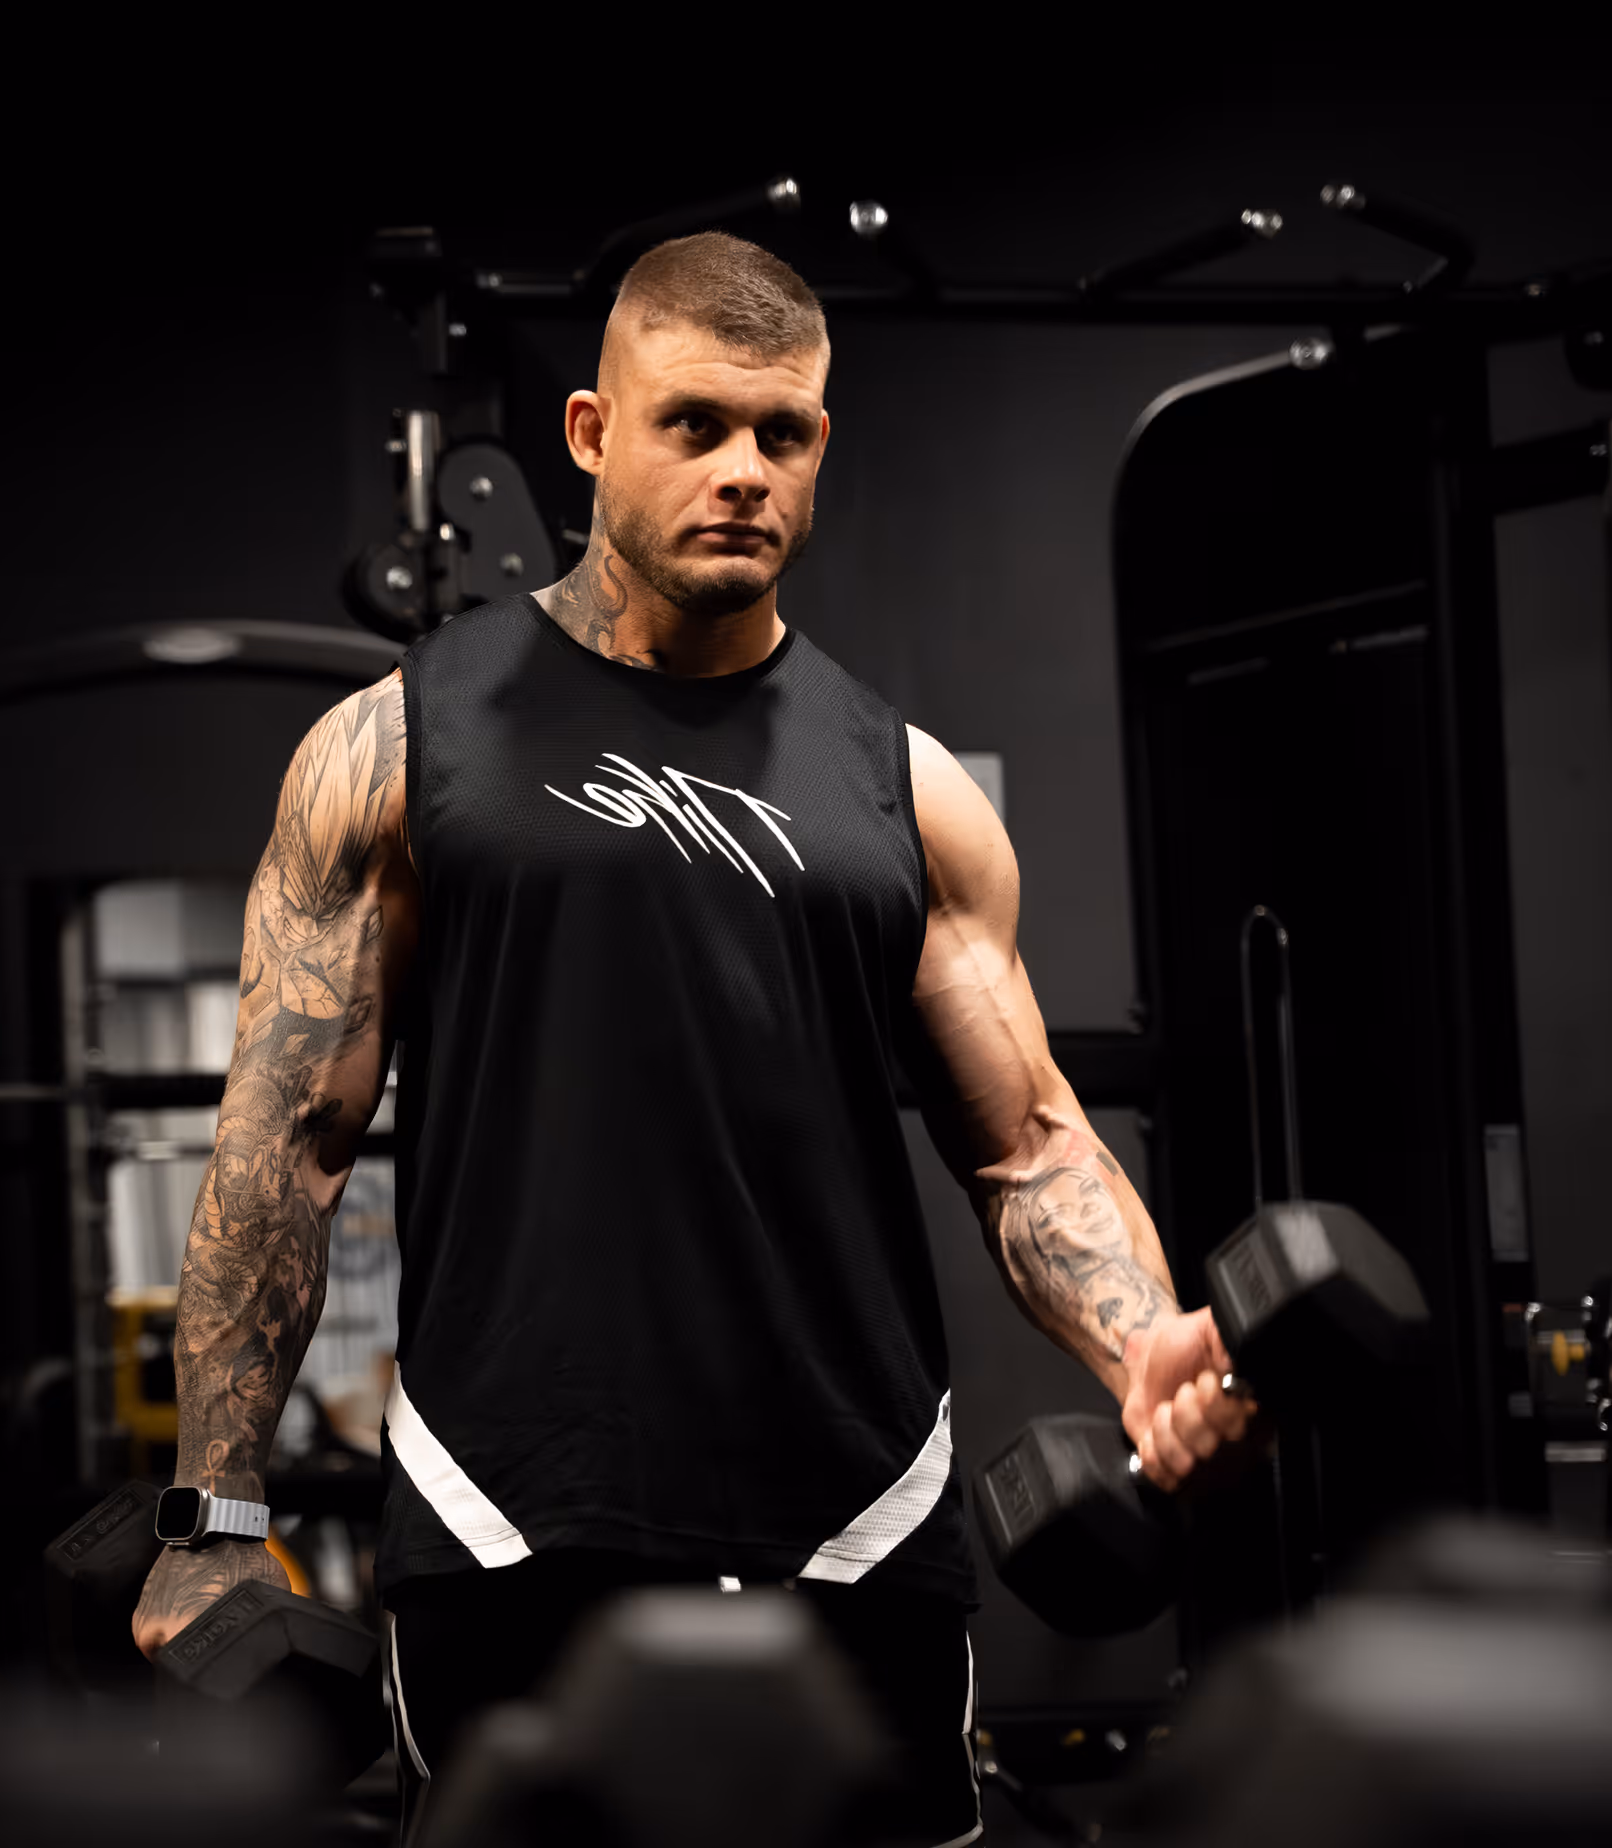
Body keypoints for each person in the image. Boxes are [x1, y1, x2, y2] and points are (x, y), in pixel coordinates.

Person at [132, 232, 1255, 1846]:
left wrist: (1139, 1336)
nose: (744, 471)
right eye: (696, 425)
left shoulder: (908, 788)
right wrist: (215, 1515)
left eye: (782, 434)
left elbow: (1027, 1146)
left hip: (857, 1513)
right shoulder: (395, 750)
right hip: (514, 1505)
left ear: (820, 446)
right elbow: (283, 1146)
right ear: (593, 433)